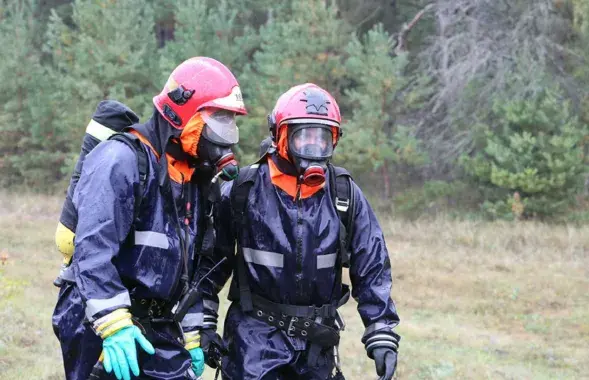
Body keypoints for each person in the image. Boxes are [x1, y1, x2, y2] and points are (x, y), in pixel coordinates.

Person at [51, 57, 247, 380]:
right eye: (219, 121)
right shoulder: (123, 160)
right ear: (183, 114)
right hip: (98, 319)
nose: (227, 137)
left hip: (155, 323)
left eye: (231, 123)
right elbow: (92, 250)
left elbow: (189, 270)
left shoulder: (192, 181)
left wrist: (193, 336)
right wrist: (112, 326)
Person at [195, 83, 400, 380]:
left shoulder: (344, 195)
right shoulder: (244, 190)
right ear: (279, 136)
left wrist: (380, 330)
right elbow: (210, 265)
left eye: (323, 138)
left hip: (316, 347)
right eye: (304, 136)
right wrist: (202, 323)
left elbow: (373, 265)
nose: (314, 148)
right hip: (252, 345)